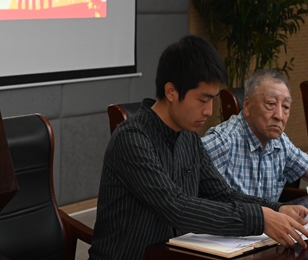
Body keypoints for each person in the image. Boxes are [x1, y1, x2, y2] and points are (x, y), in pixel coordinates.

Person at [88, 35, 308, 260]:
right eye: (203, 100)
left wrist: (275, 208)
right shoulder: (132, 138)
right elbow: (176, 207)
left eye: (213, 99)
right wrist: (259, 219)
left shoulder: (188, 138)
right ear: (171, 92)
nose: (209, 110)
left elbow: (221, 193)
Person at [202, 69, 308, 202]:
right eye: (271, 104)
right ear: (247, 106)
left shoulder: (280, 142)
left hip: (270, 215)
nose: (280, 116)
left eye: (286, 106)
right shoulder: (222, 141)